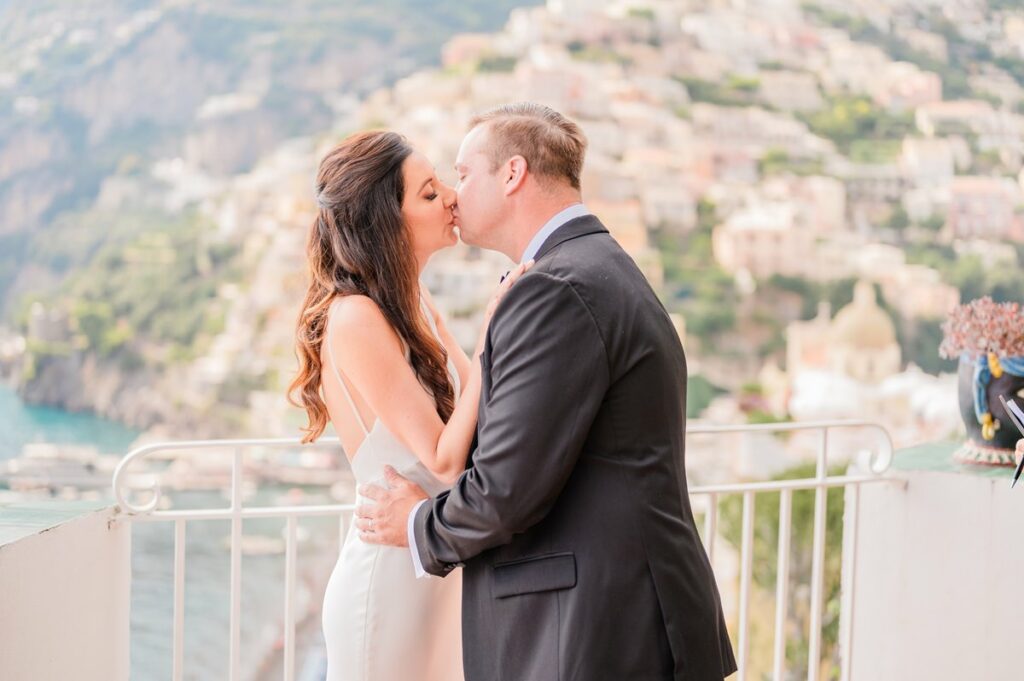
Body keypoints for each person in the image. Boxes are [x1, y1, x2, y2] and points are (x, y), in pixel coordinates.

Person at [355, 103, 737, 681]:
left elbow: (506, 488)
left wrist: (416, 523)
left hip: (596, 629)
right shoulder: (596, 266)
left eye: (463, 173)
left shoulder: (555, 289)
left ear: (512, 175)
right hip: (629, 613)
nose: (455, 196)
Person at [287, 130, 531, 681]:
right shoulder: (356, 318)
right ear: (385, 221)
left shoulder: (415, 304)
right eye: (427, 193)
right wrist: (492, 329)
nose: (450, 196)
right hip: (390, 579)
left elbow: (482, 412)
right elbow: (444, 458)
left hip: (434, 567)